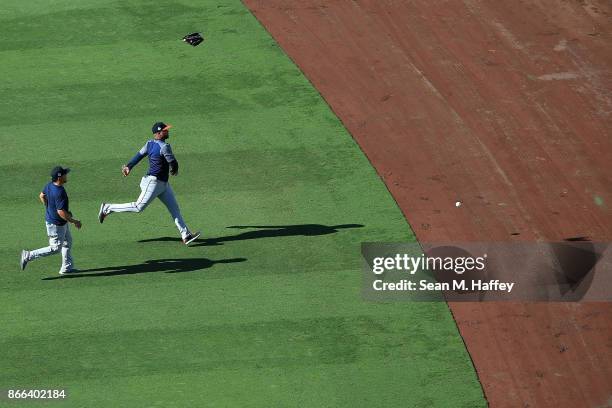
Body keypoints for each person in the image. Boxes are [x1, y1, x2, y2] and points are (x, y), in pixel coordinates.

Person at [98, 122, 200, 245]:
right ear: (158, 133)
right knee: (138, 207)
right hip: (153, 183)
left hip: (163, 185)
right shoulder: (164, 147)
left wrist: (129, 166)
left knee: (174, 209)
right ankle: (107, 208)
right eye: (165, 130)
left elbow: (138, 156)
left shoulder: (149, 144)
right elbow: (173, 162)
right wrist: (174, 170)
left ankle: (186, 235)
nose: (167, 131)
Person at [20, 166, 82, 275]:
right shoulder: (60, 192)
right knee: (55, 248)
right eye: (64, 174)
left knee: (67, 242)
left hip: (58, 222)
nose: (66, 175)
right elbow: (61, 212)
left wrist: (49, 207)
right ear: (59, 177)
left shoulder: (49, 185)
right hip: (56, 225)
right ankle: (28, 255)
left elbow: (41, 196)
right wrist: (74, 221)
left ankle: (66, 267)